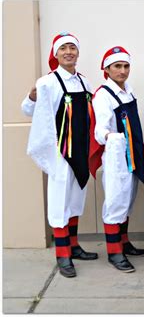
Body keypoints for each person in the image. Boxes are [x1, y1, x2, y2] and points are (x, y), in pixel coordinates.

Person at [21, 32, 98, 278]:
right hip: (61, 152)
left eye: (72, 48)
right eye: (63, 48)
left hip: (81, 151)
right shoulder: (47, 82)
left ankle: (74, 247)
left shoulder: (85, 82)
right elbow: (27, 110)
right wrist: (32, 96)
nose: (68, 52)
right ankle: (63, 255)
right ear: (55, 54)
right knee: (59, 202)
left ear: (77, 53)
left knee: (75, 200)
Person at [90, 46, 144, 273]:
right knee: (115, 200)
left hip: (131, 154)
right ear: (107, 69)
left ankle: (124, 242)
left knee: (128, 198)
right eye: (117, 66)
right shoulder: (103, 95)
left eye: (125, 66)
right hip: (116, 156)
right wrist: (111, 138)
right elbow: (100, 129)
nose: (122, 71)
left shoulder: (128, 91)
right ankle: (115, 252)